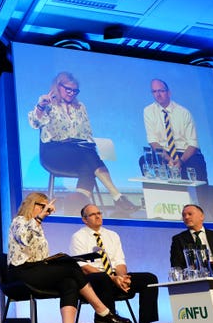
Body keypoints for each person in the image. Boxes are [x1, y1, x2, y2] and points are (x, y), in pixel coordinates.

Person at [8, 192, 132, 323]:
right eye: (45, 207)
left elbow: (39, 256)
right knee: (72, 267)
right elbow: (24, 240)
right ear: (33, 205)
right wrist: (39, 218)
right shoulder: (19, 221)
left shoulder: (37, 226)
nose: (48, 211)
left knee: (70, 282)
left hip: (36, 270)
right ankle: (103, 311)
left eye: (49, 208)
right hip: (21, 273)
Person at [28, 71, 138, 216]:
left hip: (78, 153)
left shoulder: (80, 107)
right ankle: (117, 196)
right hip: (54, 153)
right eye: (68, 89)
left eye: (75, 91)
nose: (71, 93)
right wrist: (40, 107)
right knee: (88, 156)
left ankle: (77, 204)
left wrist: (93, 144)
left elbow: (87, 133)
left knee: (89, 160)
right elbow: (34, 123)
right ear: (58, 86)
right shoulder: (48, 104)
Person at [69, 203, 168, 323]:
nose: (98, 216)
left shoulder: (112, 235)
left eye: (99, 213)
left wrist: (122, 278)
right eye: (93, 214)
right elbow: (83, 267)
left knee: (149, 279)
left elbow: (120, 262)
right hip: (94, 281)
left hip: (115, 277)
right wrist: (112, 278)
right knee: (103, 278)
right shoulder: (78, 237)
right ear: (84, 219)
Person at [140, 79, 208, 206]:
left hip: (185, 152)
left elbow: (193, 144)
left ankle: (204, 207)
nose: (158, 95)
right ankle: (158, 204)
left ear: (169, 92)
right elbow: (153, 141)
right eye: (154, 91)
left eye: (161, 91)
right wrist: (168, 159)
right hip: (163, 152)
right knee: (144, 160)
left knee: (197, 163)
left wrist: (181, 161)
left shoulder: (183, 112)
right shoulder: (148, 111)